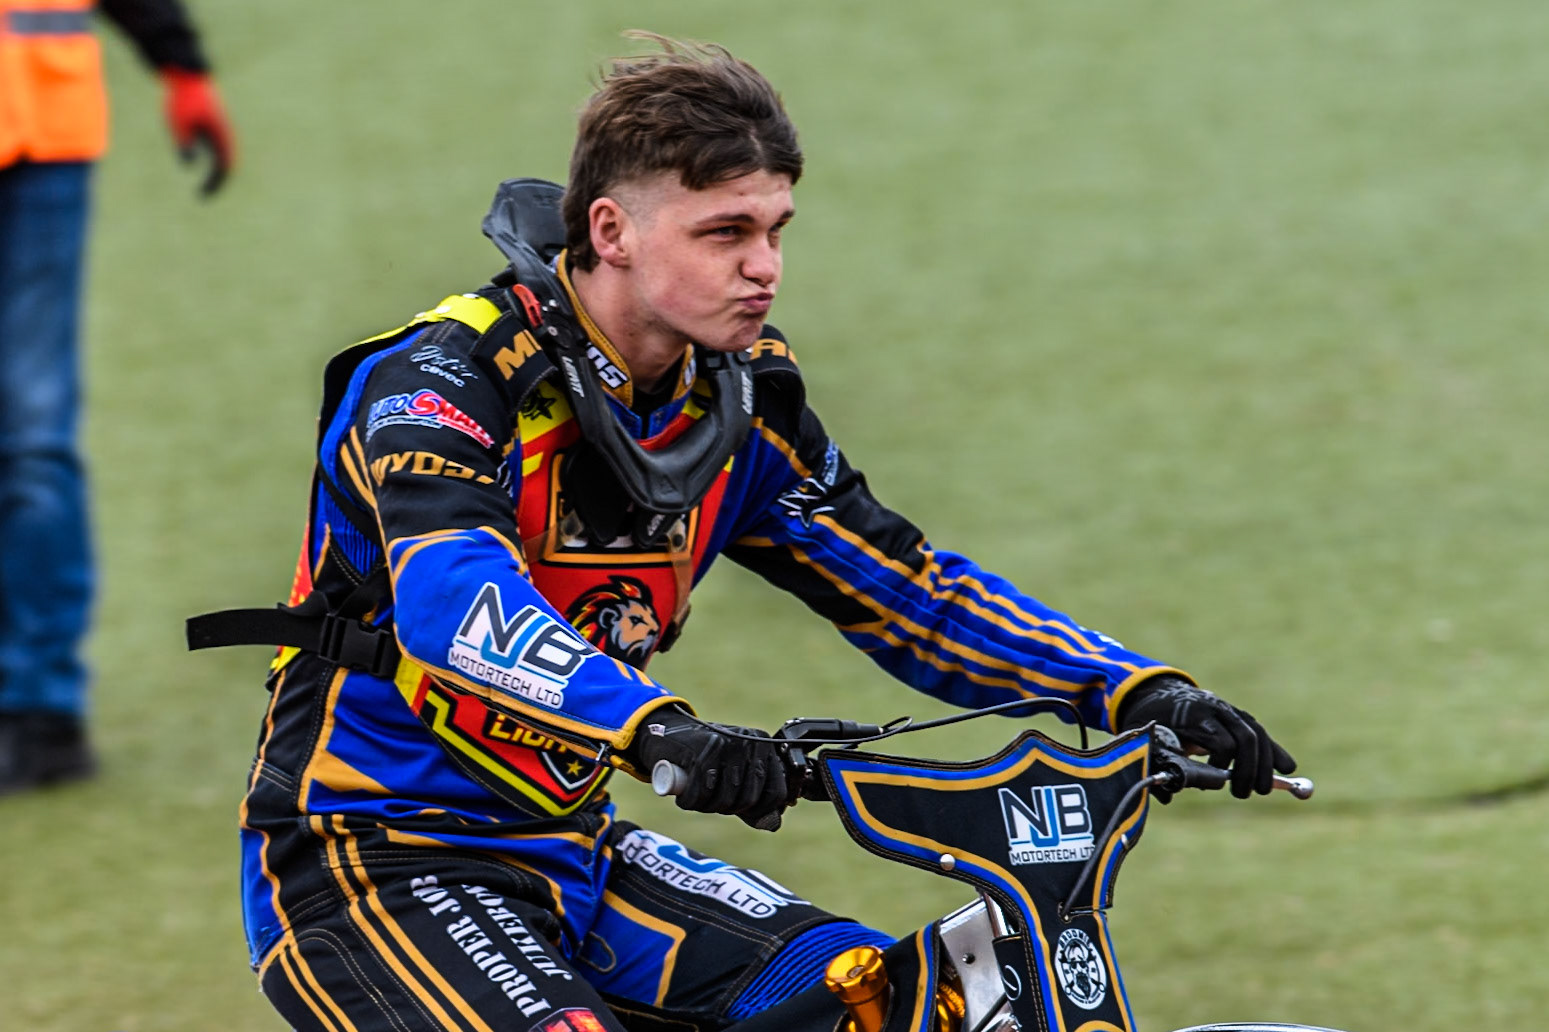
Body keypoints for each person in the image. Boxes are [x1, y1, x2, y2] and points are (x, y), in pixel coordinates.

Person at [196, 34, 1294, 1032]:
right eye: (724, 232)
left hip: (578, 856)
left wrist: (1135, 689)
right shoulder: (442, 380)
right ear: (610, 231)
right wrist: (659, 730)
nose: (763, 266)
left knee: (916, 1004)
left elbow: (911, 592)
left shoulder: (741, 407)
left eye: (773, 230)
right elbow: (453, 607)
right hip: (368, 865)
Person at [0, 0, 234, 795]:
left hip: (43, 136)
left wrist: (180, 61)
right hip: (46, 131)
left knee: (32, 430)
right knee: (33, 431)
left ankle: (40, 710)